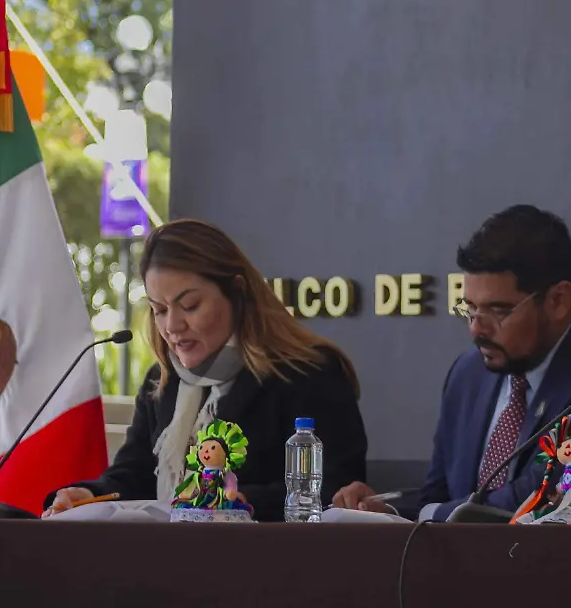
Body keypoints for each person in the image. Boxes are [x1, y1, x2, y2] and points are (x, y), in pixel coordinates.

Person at [333, 205, 571, 523]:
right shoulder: (468, 374)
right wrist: (385, 509)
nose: (476, 328)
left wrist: (431, 514)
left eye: (499, 311)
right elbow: (439, 497)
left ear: (558, 300)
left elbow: (550, 497)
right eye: (470, 308)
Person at [43, 219, 368, 521]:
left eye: (190, 306)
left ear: (237, 293)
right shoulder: (162, 381)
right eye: (159, 310)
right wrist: (90, 495)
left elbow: (333, 491)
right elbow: (134, 475)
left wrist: (234, 500)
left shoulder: (307, 373)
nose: (172, 326)